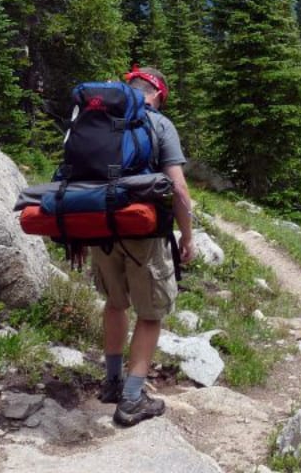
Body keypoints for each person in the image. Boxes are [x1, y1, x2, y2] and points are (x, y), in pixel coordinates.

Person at [73, 66, 195, 427]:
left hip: (99, 227)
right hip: (144, 232)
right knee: (151, 313)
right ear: (158, 95)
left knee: (114, 303)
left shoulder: (96, 118)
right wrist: (187, 236)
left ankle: (112, 382)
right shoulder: (158, 123)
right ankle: (131, 398)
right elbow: (179, 190)